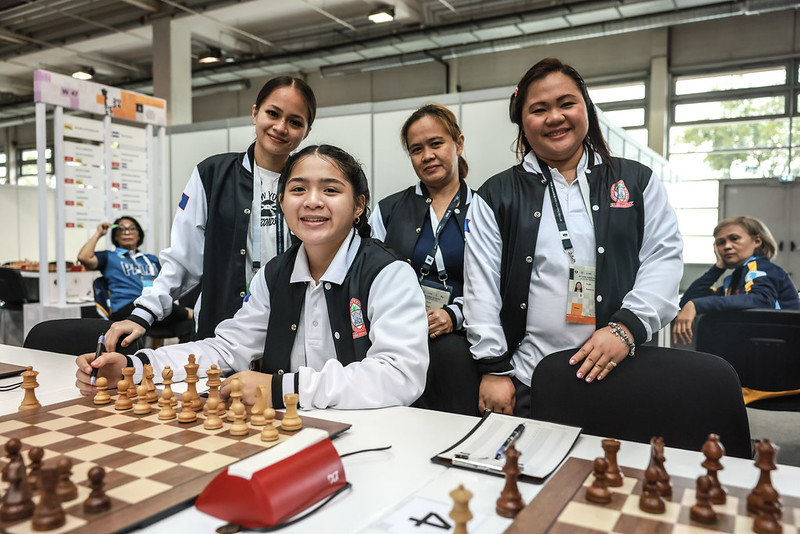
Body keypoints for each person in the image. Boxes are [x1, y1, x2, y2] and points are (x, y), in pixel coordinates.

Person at [76, 145, 429, 410]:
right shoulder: (275, 275)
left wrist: (279, 388)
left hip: (372, 440)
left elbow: (399, 376)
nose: (312, 201)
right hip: (283, 432)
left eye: (331, 190)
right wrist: (134, 368)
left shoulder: (388, 274)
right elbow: (228, 349)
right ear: (281, 202)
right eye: (298, 189)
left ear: (358, 207)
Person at [463, 57, 683, 416]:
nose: (554, 117)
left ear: (586, 109)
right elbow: (480, 287)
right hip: (528, 376)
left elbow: (663, 259)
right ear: (522, 120)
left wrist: (625, 329)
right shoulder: (496, 195)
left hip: (623, 369)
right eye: (538, 109)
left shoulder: (636, 182)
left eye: (567, 103)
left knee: (616, 470)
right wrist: (493, 368)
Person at [103, 76, 316, 352]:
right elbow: (182, 259)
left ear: (306, 131)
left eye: (295, 122)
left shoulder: (311, 184)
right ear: (255, 113)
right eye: (272, 114)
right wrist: (143, 314)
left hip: (294, 333)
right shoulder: (212, 175)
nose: (280, 127)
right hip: (222, 334)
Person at [370, 104, 480, 415]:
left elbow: (495, 285)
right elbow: (371, 280)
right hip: (399, 345)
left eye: (436, 144)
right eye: (417, 149)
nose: (427, 155)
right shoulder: (388, 211)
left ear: (458, 143)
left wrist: (454, 315)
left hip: (460, 350)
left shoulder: (484, 209)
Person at [673, 216, 800, 345]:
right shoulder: (735, 279)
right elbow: (687, 301)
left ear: (757, 241)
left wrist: (697, 305)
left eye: (734, 239)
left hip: (779, 347)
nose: (727, 246)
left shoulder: (763, 268)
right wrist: (718, 268)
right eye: (720, 242)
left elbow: (761, 300)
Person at [77, 216, 191, 324]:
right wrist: (99, 233)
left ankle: (187, 317)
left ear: (139, 235)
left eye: (132, 228)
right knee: (166, 308)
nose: (127, 232)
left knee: (187, 326)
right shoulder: (108, 257)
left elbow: (166, 281)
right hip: (125, 309)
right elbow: (84, 257)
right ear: (115, 237)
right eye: (121, 229)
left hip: (152, 307)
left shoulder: (150, 259)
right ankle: (188, 313)